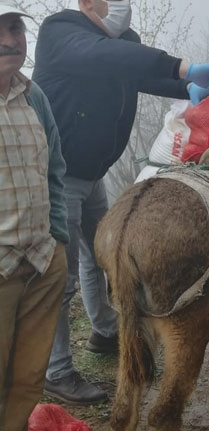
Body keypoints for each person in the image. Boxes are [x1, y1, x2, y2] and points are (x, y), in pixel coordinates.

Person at [32, 0, 209, 405]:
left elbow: (138, 70)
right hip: (58, 177)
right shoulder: (60, 31)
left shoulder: (125, 41)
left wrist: (184, 88)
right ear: (87, 3)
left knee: (101, 259)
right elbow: (108, 56)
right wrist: (182, 66)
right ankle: (57, 371)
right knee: (62, 276)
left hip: (93, 173)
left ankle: (105, 332)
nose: (119, 8)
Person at [0, 2, 70, 429]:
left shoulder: (33, 96)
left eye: (15, 29)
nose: (9, 41)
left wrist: (59, 238)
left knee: (27, 381)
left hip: (43, 263)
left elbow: (55, 170)